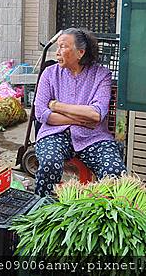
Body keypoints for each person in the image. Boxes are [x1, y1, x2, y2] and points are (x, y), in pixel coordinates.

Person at [33, 28, 126, 197]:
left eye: (63, 47)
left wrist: (55, 105)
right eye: (58, 47)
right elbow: (41, 113)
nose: (57, 52)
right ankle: (40, 208)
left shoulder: (101, 75)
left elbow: (96, 114)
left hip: (93, 137)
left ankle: (105, 216)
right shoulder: (49, 73)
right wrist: (79, 120)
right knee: (50, 163)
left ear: (80, 52)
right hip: (55, 134)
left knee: (115, 171)